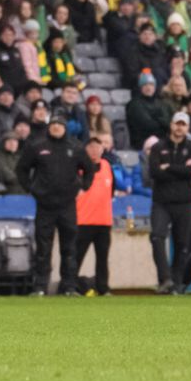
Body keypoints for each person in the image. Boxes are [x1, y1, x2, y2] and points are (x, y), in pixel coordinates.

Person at [16, 112, 97, 296]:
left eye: (59, 125)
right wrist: (31, 188)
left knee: (69, 248)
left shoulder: (75, 147)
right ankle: (40, 287)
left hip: (68, 205)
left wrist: (84, 187)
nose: (56, 128)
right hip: (45, 204)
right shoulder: (37, 146)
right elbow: (21, 169)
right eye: (53, 125)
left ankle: (68, 286)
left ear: (65, 127)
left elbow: (89, 170)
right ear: (48, 127)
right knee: (43, 248)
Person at [149, 111, 191, 294]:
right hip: (162, 202)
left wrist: (169, 167)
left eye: (183, 124)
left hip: (184, 202)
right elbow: (155, 172)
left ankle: (176, 283)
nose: (179, 128)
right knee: (156, 236)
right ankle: (165, 279)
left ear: (187, 128)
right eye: (177, 123)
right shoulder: (158, 147)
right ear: (171, 124)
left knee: (182, 243)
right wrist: (181, 169)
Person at [75, 138, 113, 296]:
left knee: (102, 258)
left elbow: (111, 190)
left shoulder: (107, 166)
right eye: (91, 146)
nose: (94, 150)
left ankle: (103, 288)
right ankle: (69, 286)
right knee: (76, 256)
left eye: (98, 147)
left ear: (103, 150)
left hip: (104, 221)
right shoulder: (78, 168)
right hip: (83, 220)